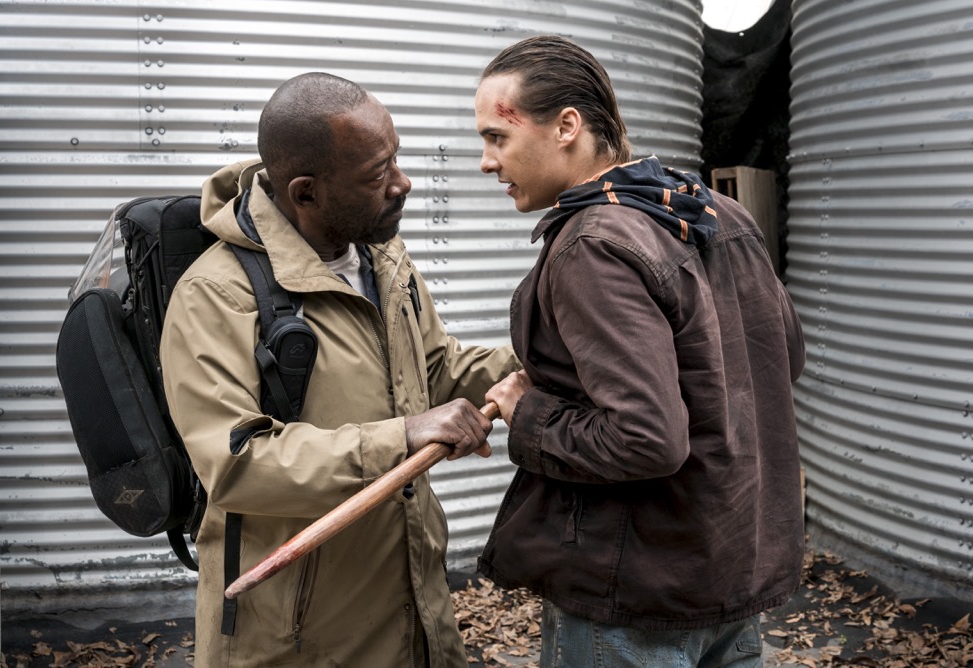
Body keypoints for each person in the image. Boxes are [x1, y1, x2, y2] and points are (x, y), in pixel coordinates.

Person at [160, 72, 520, 667]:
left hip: (413, 618)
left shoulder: (381, 257)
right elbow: (236, 464)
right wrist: (402, 436)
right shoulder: (216, 296)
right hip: (298, 641)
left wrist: (542, 358)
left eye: (396, 159)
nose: (402, 184)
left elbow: (433, 368)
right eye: (377, 175)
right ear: (306, 193)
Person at [476, 36, 806, 667]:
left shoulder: (591, 246)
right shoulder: (719, 213)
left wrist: (528, 415)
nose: (486, 161)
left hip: (636, 595)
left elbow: (645, 438)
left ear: (567, 126)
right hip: (726, 576)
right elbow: (779, 364)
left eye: (498, 137)